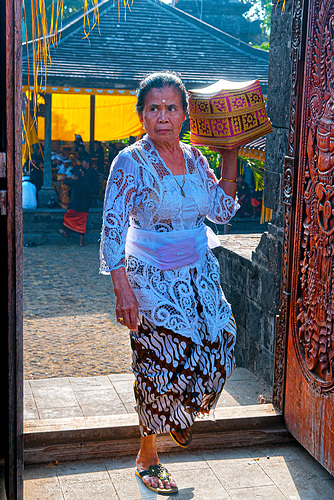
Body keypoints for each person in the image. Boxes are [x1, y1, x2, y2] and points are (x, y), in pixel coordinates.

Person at [100, 72, 240, 495]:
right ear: (142, 115)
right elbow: (110, 230)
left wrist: (230, 154)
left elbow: (222, 212)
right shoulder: (129, 162)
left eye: (171, 108)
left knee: (222, 343)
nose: (163, 116)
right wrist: (122, 290)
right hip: (150, 279)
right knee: (157, 362)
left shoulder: (197, 159)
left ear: (184, 114)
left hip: (199, 275)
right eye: (153, 108)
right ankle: (148, 455)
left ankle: (178, 415)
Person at [59, 167, 90, 246]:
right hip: (84, 208)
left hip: (75, 207)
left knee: (67, 217)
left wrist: (63, 178)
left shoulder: (74, 182)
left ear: (76, 177)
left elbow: (67, 182)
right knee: (82, 224)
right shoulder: (86, 184)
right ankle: (81, 242)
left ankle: (66, 232)